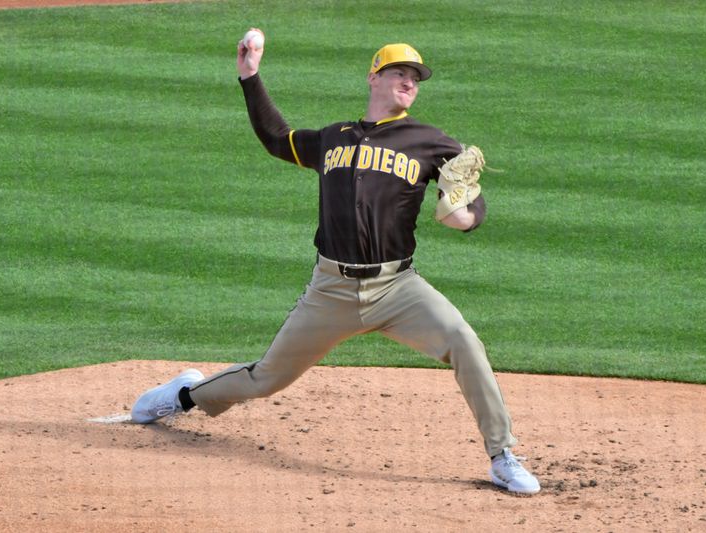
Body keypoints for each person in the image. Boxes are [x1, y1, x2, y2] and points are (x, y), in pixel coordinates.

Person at [130, 31, 541, 495]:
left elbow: (471, 200)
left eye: (415, 77)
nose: (409, 81)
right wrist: (250, 76)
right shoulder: (333, 138)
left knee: (464, 342)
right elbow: (276, 139)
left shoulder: (430, 142)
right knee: (265, 377)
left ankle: (501, 455)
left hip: (398, 289)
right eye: (399, 73)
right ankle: (183, 395)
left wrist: (467, 217)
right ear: (373, 77)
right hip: (331, 290)